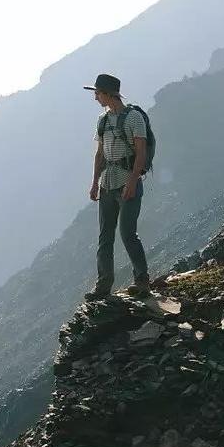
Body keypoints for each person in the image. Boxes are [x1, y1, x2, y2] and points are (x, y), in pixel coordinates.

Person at [83, 73, 150, 299]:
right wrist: (94, 183)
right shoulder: (102, 120)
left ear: (109, 93)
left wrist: (132, 182)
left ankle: (142, 282)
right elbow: (100, 154)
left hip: (127, 184)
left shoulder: (134, 118)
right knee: (105, 237)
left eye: (97, 93)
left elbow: (141, 153)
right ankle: (103, 286)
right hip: (107, 185)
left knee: (128, 233)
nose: (95, 98)